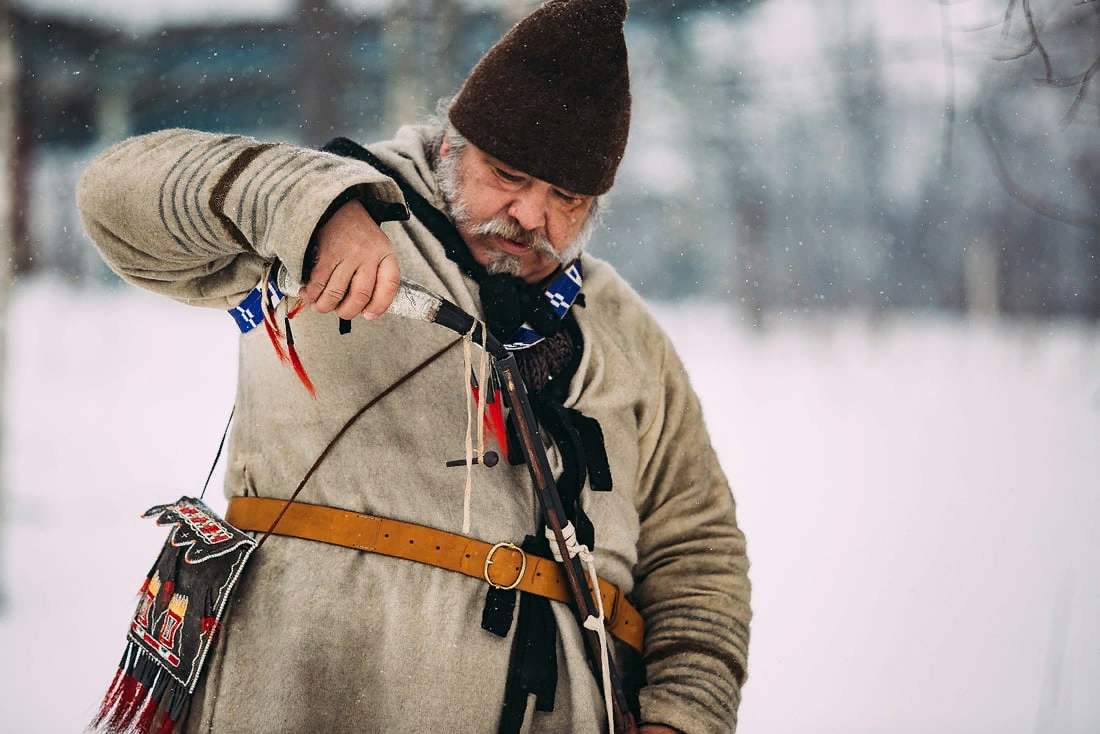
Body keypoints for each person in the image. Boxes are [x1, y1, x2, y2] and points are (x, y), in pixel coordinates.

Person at [77, 0, 751, 732]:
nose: (529, 216)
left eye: (566, 197)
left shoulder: (625, 330)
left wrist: (685, 716)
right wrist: (309, 206)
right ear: (453, 144)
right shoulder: (334, 208)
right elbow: (113, 195)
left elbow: (698, 547)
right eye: (508, 174)